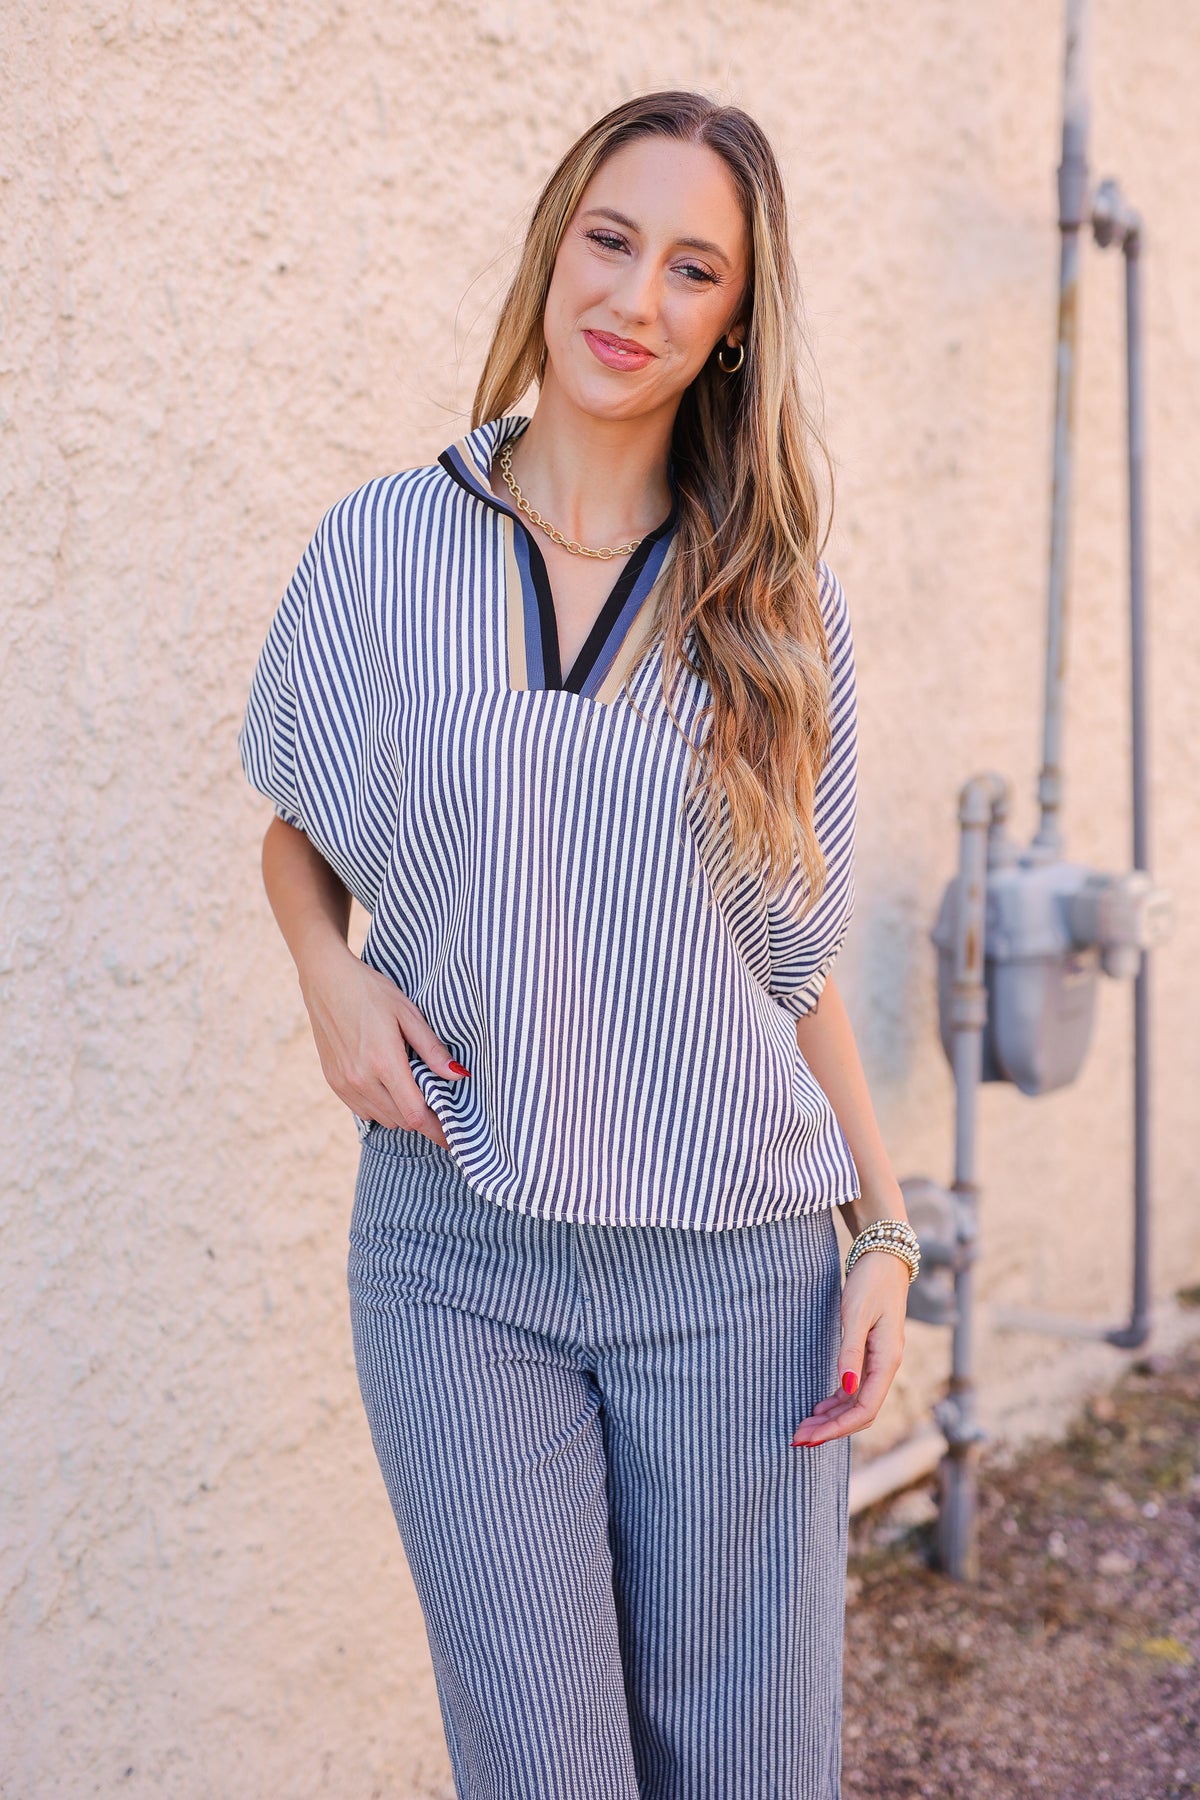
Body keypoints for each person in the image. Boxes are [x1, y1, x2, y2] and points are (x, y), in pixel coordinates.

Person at [238, 88, 919, 1800]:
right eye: (613, 241)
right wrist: (330, 975)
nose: (636, 298)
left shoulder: (771, 598)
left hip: (732, 1271)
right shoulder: (384, 549)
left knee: (743, 1770)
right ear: (556, 246)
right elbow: (298, 834)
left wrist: (887, 1229)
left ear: (734, 322)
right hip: (457, 1252)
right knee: (541, 1769)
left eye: (694, 268)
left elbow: (790, 959)